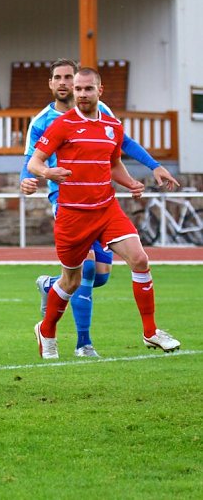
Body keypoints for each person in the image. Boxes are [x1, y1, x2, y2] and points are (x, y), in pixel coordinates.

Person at [21, 59, 179, 357]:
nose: (81, 93)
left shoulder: (111, 124)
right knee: (73, 280)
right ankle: (49, 330)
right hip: (72, 213)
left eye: (87, 88)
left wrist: (133, 181)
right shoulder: (58, 124)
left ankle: (151, 332)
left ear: (99, 90)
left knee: (139, 260)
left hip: (106, 209)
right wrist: (45, 173)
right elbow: (33, 161)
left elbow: (114, 161)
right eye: (78, 89)